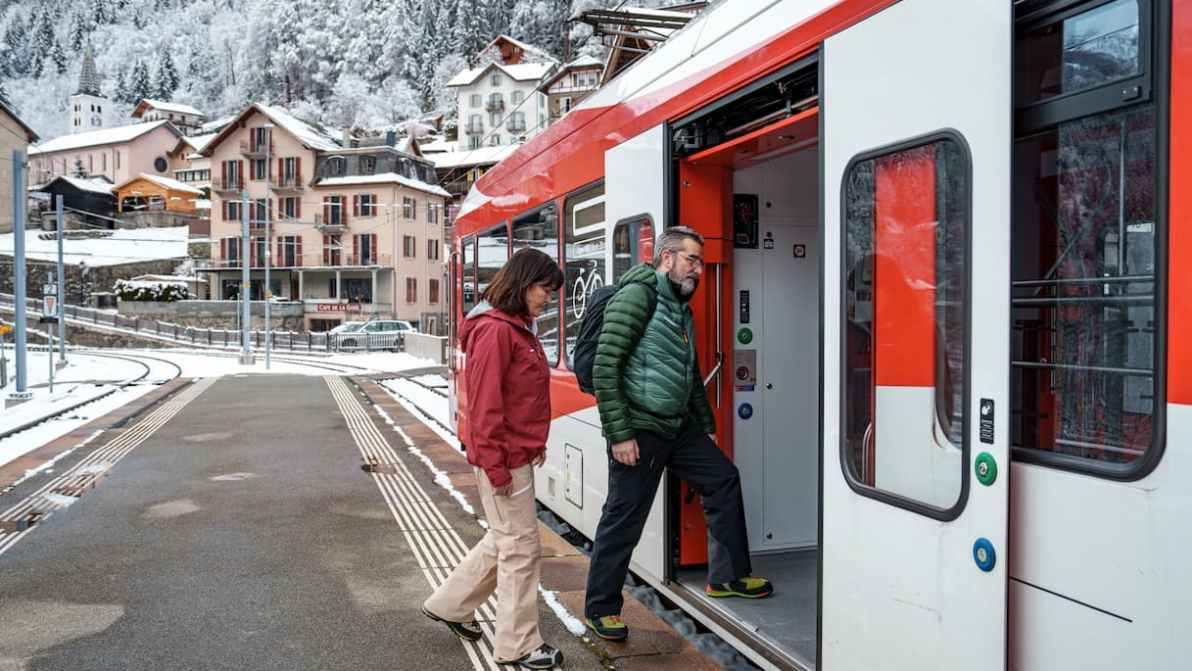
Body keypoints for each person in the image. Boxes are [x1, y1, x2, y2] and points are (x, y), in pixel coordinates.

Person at [583, 227, 773, 642]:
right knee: (625, 516)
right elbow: (605, 367)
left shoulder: (679, 308)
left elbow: (688, 377)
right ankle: (601, 607)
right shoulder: (638, 297)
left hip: (677, 425)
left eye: (701, 262)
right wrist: (619, 434)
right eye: (692, 260)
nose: (699, 270)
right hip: (639, 425)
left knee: (723, 479)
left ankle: (729, 576)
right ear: (666, 258)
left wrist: (706, 428)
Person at [422, 248, 565, 670]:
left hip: (515, 451)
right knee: (522, 549)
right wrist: (497, 465)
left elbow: (522, 396)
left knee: (504, 538)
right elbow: (483, 405)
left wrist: (533, 441)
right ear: (523, 284)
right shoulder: (496, 331)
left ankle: (450, 604)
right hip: (502, 457)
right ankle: (518, 645)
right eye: (545, 289)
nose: (549, 299)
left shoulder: (514, 326)